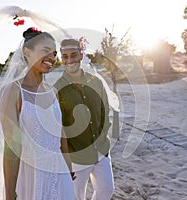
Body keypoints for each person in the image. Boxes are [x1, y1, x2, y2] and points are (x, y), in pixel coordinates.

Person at [0, 27, 74, 200]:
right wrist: (9, 194)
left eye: (54, 53)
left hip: (60, 172)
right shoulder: (12, 91)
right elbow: (12, 147)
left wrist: (68, 166)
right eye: (45, 51)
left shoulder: (52, 91)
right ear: (27, 52)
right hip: (31, 175)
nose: (52, 57)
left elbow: (60, 131)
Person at [54, 38, 114, 200]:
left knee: (107, 189)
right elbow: (59, 126)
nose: (69, 60)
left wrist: (102, 140)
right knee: (76, 196)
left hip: (101, 150)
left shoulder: (96, 82)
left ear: (81, 55)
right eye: (65, 57)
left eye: (73, 55)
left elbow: (105, 111)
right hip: (76, 155)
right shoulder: (58, 89)